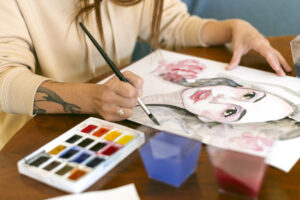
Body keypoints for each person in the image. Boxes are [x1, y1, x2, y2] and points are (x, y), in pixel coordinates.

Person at [0, 0, 291, 150]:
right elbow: (4, 79)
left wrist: (232, 28)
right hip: (31, 137)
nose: (219, 96)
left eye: (233, 109)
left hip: (114, 125)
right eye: (248, 95)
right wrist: (91, 98)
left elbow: (172, 23)